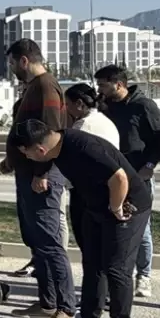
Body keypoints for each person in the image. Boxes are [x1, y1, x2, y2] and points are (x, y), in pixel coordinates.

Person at [13, 120, 152, 318]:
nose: (27, 159)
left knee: (117, 267)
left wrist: (116, 208)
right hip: (97, 208)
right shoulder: (57, 149)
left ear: (40, 150)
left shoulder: (82, 146)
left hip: (128, 205)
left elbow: (119, 178)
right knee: (93, 264)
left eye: (26, 154)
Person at [1, 39, 76, 318]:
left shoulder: (46, 86)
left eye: (11, 63)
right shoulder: (33, 87)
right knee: (35, 241)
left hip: (42, 175)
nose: (11, 70)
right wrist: (12, 161)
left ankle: (67, 308)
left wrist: (42, 171)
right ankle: (46, 300)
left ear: (23, 60)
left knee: (49, 242)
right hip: (27, 171)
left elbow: (52, 134)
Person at [95, 65, 160, 299]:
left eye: (103, 84)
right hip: (110, 175)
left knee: (142, 228)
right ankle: (116, 276)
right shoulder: (103, 107)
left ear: (118, 84)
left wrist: (149, 166)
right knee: (112, 225)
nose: (99, 89)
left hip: (138, 175)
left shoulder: (143, 106)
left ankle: (144, 276)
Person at [64, 83, 121, 248]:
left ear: (79, 104)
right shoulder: (106, 122)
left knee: (88, 243)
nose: (66, 109)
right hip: (107, 188)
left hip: (86, 192)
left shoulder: (82, 126)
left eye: (68, 104)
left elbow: (72, 160)